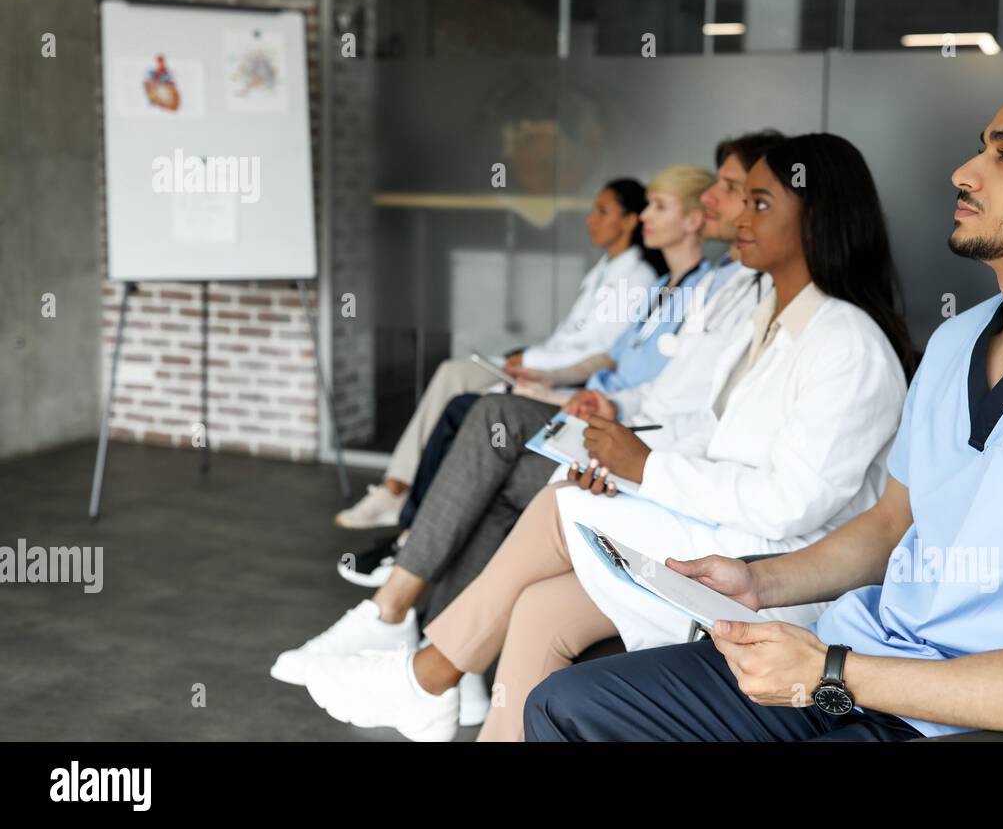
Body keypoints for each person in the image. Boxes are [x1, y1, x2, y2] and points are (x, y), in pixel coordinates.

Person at [524, 61, 1003, 743]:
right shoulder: (958, 341)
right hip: (852, 665)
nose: (963, 172)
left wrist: (834, 674)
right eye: (980, 149)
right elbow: (891, 523)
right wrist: (757, 579)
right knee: (568, 706)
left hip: (967, 719)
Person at [300, 133, 915, 742]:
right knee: (542, 606)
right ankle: (439, 686)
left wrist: (646, 469)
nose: (735, 218)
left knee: (560, 505)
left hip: (776, 571)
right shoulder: (774, 317)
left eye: (759, 203)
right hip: (722, 527)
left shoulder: (848, 344)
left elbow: (791, 505)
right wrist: (622, 459)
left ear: (817, 218)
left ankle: (426, 675)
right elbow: (710, 426)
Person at [271, 162, 716, 690]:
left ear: (697, 218)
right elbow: (608, 362)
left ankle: (401, 617)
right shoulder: (662, 287)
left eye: (657, 207)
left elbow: (674, 401)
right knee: (482, 421)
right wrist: (560, 383)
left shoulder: (707, 293)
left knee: (488, 419)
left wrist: (579, 395)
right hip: (600, 413)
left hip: (628, 440)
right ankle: (433, 653)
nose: (645, 216)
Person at [334, 179, 662, 529]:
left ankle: (401, 492)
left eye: (603, 211)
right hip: (542, 361)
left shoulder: (636, 278)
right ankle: (395, 488)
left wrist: (532, 362)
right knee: (453, 371)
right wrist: (528, 355)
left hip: (558, 375)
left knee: (459, 387)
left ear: (629, 221)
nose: (589, 220)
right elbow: (569, 336)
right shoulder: (605, 270)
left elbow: (596, 351)